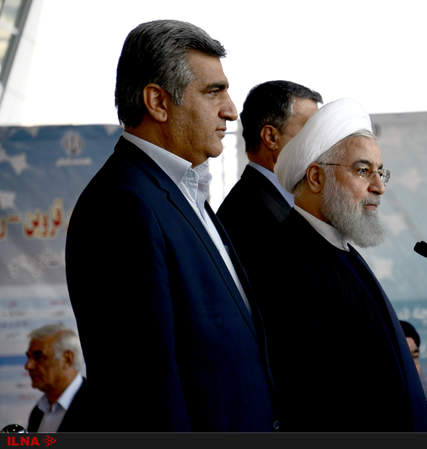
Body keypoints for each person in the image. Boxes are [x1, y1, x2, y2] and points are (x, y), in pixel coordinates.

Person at [65, 20, 275, 431]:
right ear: (158, 102)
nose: (231, 110)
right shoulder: (122, 205)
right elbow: (144, 388)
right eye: (214, 91)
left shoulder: (179, 191)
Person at [252, 98, 427, 431]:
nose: (379, 187)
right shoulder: (286, 260)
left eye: (381, 172)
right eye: (363, 171)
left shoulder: (339, 248)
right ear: (316, 177)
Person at [217, 80, 321, 272]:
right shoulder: (249, 216)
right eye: (310, 130)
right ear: (271, 137)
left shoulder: (275, 201)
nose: (320, 142)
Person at [25, 324, 88, 432]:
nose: (28, 366)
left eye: (38, 356)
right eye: (29, 357)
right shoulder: (38, 412)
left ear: (67, 359)